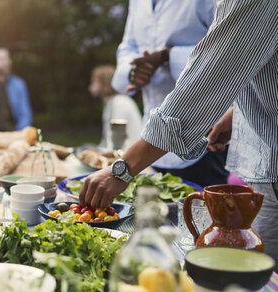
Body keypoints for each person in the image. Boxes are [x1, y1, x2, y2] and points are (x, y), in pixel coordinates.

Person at [80, 0, 278, 270]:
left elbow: (209, 74)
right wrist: (237, 113)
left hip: (233, 157)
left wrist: (122, 169)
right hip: (178, 141)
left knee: (257, 287)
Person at [111, 0, 229, 187]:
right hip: (148, 142)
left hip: (203, 143)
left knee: (204, 213)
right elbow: (128, 46)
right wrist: (133, 71)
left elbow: (227, 50)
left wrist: (168, 57)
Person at [89, 65, 142, 150]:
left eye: (94, 82)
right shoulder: (111, 102)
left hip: (128, 157)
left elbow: (116, 144)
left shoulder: (119, 102)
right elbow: (106, 142)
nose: (90, 87)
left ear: (104, 82)